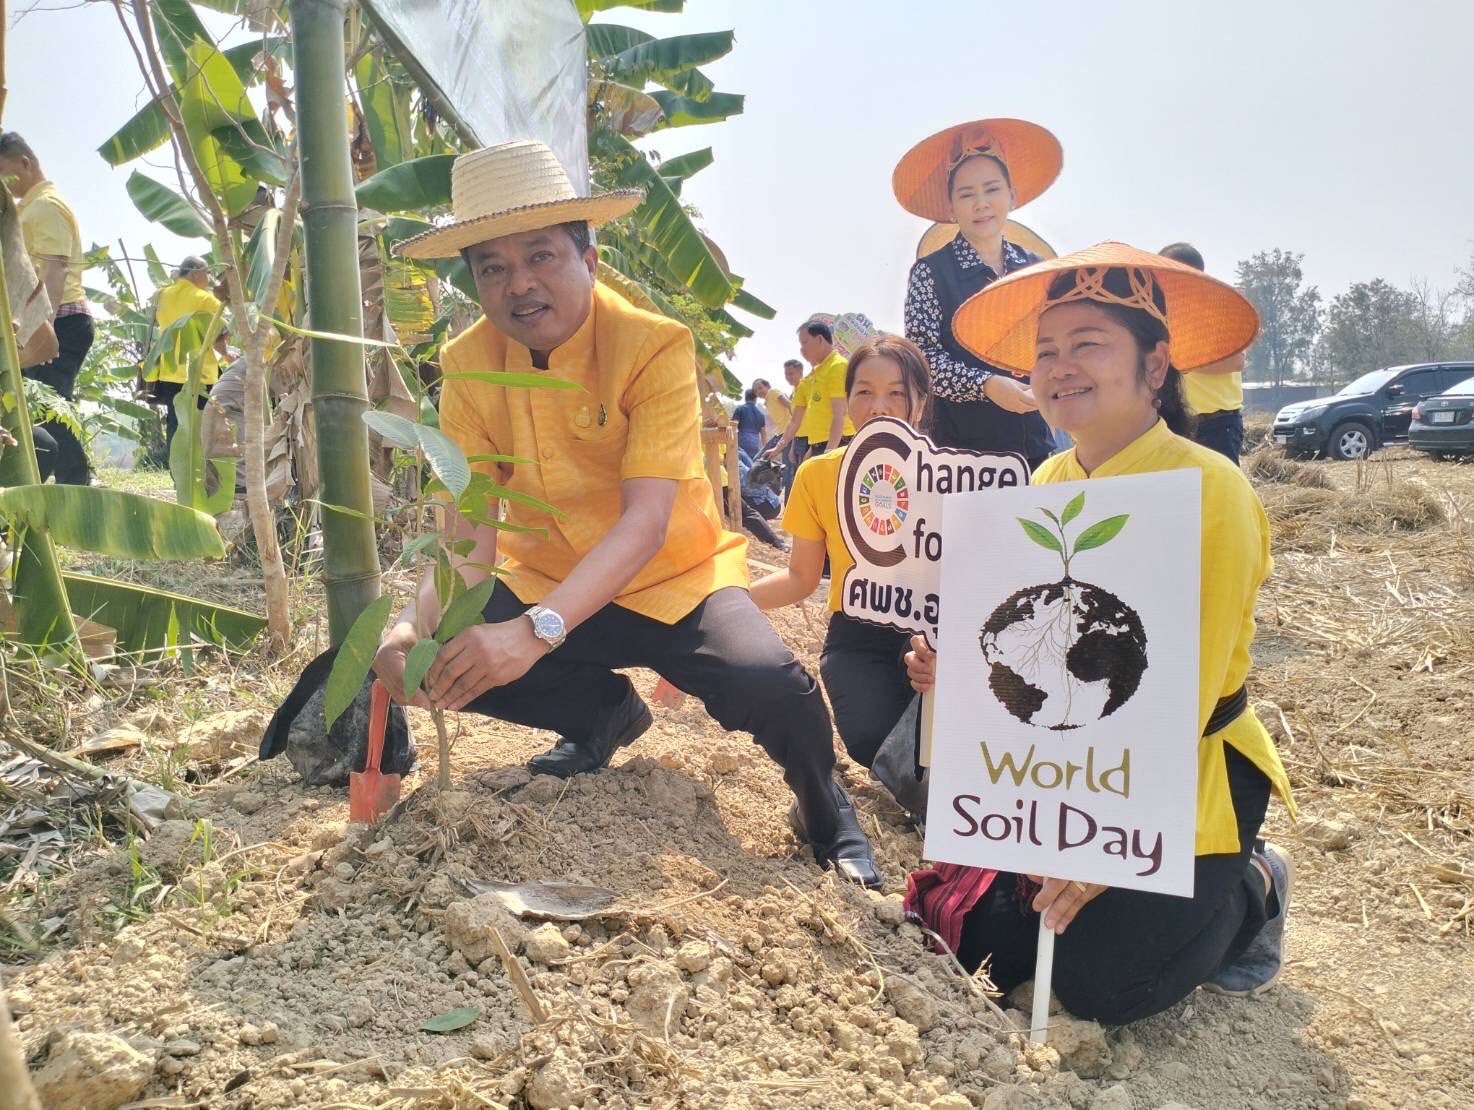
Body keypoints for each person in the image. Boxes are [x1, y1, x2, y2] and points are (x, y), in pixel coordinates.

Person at [375, 140, 880, 888]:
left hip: (674, 580)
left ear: (591, 259)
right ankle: (601, 714)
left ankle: (824, 805)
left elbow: (645, 523)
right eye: (493, 268)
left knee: (773, 685)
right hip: (549, 573)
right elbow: (470, 532)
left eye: (542, 256)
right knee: (449, 644)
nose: (520, 285)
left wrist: (533, 631)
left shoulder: (652, 347)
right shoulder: (467, 365)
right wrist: (410, 626)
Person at [904, 242, 1296, 1023]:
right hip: (1068, 754)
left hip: (1188, 767)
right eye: (1047, 352)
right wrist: (965, 680)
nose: (1060, 367)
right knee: (980, 944)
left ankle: (1252, 887)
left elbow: (1178, 695)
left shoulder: (1210, 489)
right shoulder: (1043, 484)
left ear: (1155, 367)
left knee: (1095, 985)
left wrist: (1108, 851)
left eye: (1089, 345)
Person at [752, 335, 931, 775]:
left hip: (933, 634)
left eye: (896, 393)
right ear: (848, 399)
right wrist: (726, 601)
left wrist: (944, 654)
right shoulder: (818, 474)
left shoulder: (948, 474)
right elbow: (800, 579)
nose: (878, 407)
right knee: (875, 743)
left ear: (920, 403)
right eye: (864, 392)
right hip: (857, 635)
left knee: (941, 746)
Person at [896, 119, 1062, 472]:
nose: (981, 204)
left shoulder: (1036, 268)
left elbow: (1055, 344)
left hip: (1034, 444)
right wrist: (984, 384)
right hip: (963, 455)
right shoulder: (930, 273)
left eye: (992, 189)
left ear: (1012, 196)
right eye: (967, 194)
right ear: (951, 208)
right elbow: (924, 362)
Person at [0, 132, 94, 485]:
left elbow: (56, 268)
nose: (3, 183)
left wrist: (46, 327)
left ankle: (77, 486)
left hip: (61, 319)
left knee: (50, 408)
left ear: (25, 163)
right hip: (35, 324)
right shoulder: (25, 208)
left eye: (5, 173)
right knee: (35, 406)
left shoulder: (47, 206)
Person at [1160, 241, 1247, 464]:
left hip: (1216, 425)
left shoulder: (1218, 309)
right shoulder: (1159, 312)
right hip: (1173, 422)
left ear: (1192, 273)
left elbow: (1235, 361)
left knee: (1219, 496)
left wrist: (1179, 360)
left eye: (1166, 271)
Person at [146, 256, 224, 448]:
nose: (208, 278)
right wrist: (228, 355)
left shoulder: (161, 295)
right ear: (196, 271)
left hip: (169, 370)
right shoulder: (206, 299)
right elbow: (218, 335)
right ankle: (201, 473)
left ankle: (177, 474)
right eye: (207, 272)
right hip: (200, 373)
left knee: (176, 422)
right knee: (202, 424)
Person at [795, 319, 855, 458]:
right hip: (823, 445)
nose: (802, 349)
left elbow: (839, 415)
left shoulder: (836, 366)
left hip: (838, 444)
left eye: (805, 343)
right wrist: (813, 449)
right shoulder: (820, 370)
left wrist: (828, 455)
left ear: (820, 339)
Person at [753, 376, 790, 447]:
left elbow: (790, 405)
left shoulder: (773, 392)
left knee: (764, 456)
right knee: (762, 456)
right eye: (756, 391)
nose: (758, 392)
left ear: (767, 386)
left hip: (787, 432)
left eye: (760, 388)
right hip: (780, 433)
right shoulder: (767, 401)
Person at [732, 387, 766, 458]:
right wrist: (764, 448)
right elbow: (763, 433)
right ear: (755, 399)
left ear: (745, 398)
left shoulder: (739, 409)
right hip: (755, 443)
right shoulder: (760, 414)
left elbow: (734, 427)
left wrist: (732, 444)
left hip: (741, 442)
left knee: (742, 466)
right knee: (752, 465)